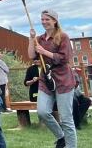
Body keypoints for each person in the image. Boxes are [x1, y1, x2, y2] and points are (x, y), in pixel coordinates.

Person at [28, 9, 76, 148]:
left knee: (66, 119)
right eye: (42, 19)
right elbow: (31, 56)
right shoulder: (40, 39)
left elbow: (64, 58)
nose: (44, 22)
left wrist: (45, 52)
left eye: (47, 19)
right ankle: (61, 136)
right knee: (42, 112)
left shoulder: (63, 37)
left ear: (54, 21)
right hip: (46, 79)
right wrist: (32, 39)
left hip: (63, 80)